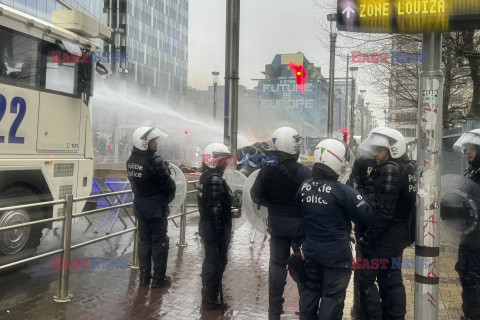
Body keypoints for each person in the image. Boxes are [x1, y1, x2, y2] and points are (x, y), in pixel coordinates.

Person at [296, 139, 373, 320]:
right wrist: (368, 195)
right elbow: (366, 215)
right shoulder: (343, 191)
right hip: (336, 256)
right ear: (336, 161)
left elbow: (298, 212)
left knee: (311, 290)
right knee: (332, 296)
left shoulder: (304, 188)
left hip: (311, 251)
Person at [250, 127, 312, 320]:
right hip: (300, 227)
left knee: (277, 266)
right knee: (303, 265)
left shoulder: (267, 170)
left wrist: (272, 205)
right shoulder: (303, 171)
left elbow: (255, 195)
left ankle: (274, 310)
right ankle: (306, 309)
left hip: (276, 225)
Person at [356, 127, 416, 320]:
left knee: (366, 279)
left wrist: (367, 239)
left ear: (393, 149)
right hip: (399, 233)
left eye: (380, 150)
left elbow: (384, 212)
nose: (375, 154)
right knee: (391, 277)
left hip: (386, 235)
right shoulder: (408, 167)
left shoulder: (390, 170)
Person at [127, 126, 176, 288]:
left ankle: (144, 277)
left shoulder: (131, 161)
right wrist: (165, 200)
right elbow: (169, 186)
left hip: (140, 206)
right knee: (160, 242)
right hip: (156, 208)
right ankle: (159, 278)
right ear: (144, 143)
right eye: (153, 141)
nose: (156, 143)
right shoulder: (155, 161)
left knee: (144, 241)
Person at [197, 143, 234, 310]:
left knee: (212, 260)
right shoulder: (215, 179)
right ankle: (210, 298)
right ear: (213, 160)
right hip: (214, 227)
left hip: (208, 225)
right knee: (215, 261)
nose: (225, 163)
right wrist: (219, 230)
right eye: (223, 160)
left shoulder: (207, 176)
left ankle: (209, 295)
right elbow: (215, 209)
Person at [453, 129, 480, 320]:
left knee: (473, 276)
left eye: (473, 148)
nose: (468, 152)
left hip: (477, 238)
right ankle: (469, 313)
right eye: (467, 148)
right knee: (465, 272)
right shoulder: (472, 170)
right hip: (469, 234)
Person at [346, 156, 377, 320]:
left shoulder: (355, 181)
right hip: (381, 233)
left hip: (362, 233)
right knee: (386, 276)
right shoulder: (380, 170)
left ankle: (359, 309)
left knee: (363, 273)